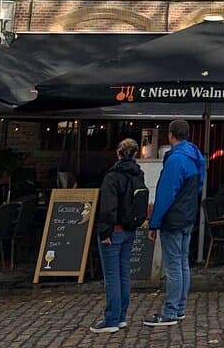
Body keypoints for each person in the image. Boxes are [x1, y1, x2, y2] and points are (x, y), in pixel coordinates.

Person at [144, 120, 205, 327]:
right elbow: (199, 186)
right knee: (182, 263)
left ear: (170, 135)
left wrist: (154, 223)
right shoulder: (196, 156)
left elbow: (165, 194)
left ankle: (171, 311)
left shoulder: (175, 160)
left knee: (173, 266)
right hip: (188, 215)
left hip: (174, 218)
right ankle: (180, 308)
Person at [90, 138, 144, 334]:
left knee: (112, 276)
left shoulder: (112, 177)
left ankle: (111, 319)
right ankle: (121, 316)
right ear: (135, 154)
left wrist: (104, 231)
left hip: (114, 230)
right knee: (123, 274)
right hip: (130, 230)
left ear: (118, 153)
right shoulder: (138, 175)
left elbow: (108, 207)